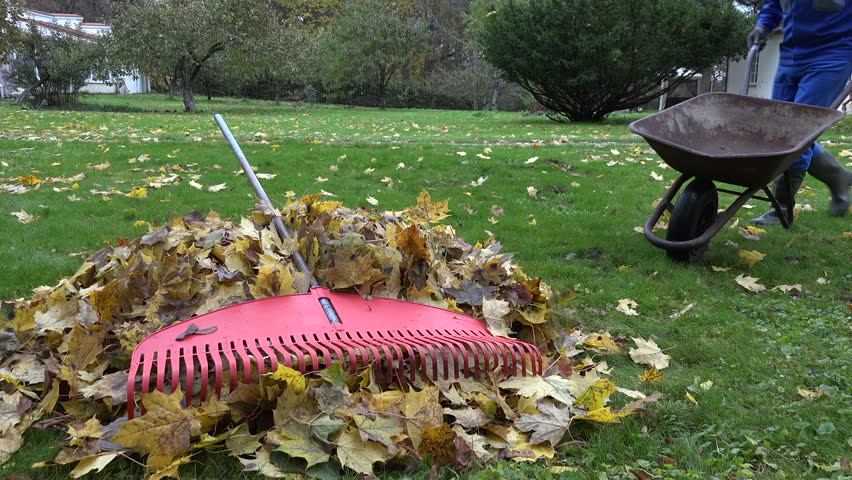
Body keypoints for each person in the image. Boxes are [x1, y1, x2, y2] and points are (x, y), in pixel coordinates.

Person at [747, 0, 852, 224]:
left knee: (799, 131)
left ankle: (782, 208)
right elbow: (774, 4)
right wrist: (763, 26)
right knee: (779, 132)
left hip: (833, 55)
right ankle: (838, 177)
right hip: (791, 55)